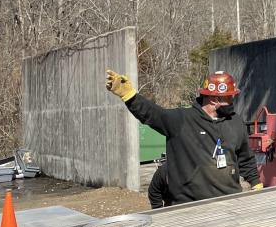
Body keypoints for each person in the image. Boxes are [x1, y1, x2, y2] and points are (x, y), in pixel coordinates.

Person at [105, 69, 263, 204]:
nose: (232, 102)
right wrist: (129, 96)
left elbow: (245, 158)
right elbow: (152, 114)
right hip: (189, 206)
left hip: (230, 201)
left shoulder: (235, 122)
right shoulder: (182, 120)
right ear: (215, 99)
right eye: (229, 98)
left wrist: (256, 183)